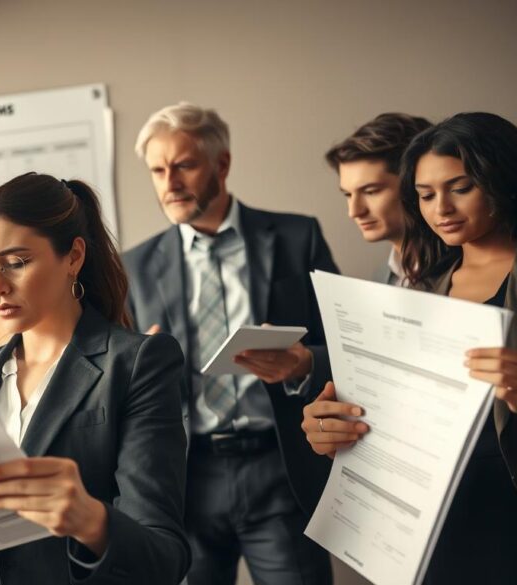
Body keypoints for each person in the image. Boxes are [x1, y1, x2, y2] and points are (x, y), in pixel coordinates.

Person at [0, 173, 190, 584]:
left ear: (73, 257)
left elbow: (164, 558)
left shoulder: (136, 364)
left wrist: (92, 521)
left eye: (16, 263)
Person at [302, 112, 517, 582]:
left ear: (502, 179)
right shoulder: (419, 290)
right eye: (425, 195)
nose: (440, 207)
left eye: (460, 187)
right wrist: (334, 429)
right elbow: (394, 418)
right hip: (431, 528)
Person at [123, 102, 335, 585]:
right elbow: (118, 388)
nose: (169, 182)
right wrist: (138, 369)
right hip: (185, 479)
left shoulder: (297, 237)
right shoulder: (133, 266)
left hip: (279, 466)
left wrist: (305, 364)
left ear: (222, 164)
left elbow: (345, 346)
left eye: (184, 165)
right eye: (158, 170)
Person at [324, 113, 432, 285]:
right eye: (348, 194)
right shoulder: (382, 276)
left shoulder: (466, 276)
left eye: (371, 191)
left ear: (415, 185)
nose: (354, 212)